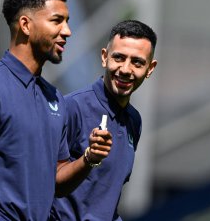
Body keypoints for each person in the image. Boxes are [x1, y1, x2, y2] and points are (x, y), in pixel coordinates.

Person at [0, 0, 112, 221]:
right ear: (25, 24)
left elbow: (57, 181)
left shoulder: (54, 98)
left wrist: (89, 159)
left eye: (67, 22)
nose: (67, 31)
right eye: (57, 21)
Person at [50, 20, 158, 220]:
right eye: (119, 57)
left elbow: (106, 198)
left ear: (150, 68)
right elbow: (50, 183)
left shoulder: (134, 120)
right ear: (104, 57)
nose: (126, 69)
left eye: (137, 62)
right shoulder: (72, 108)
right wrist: (89, 159)